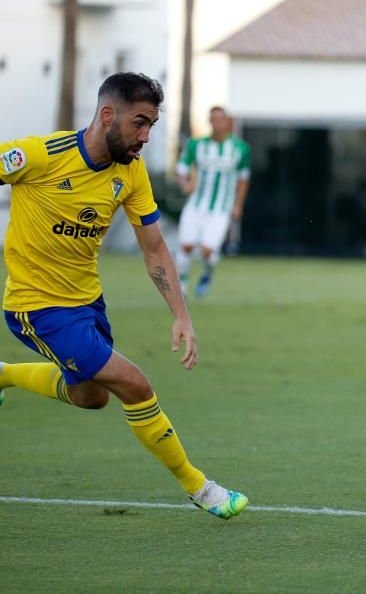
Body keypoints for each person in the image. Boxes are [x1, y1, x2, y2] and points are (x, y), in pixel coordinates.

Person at [0, 73, 248, 518]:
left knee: (90, 398)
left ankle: (3, 375)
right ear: (108, 114)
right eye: (140, 123)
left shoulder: (130, 173)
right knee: (135, 385)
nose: (146, 136)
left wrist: (181, 315)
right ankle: (200, 488)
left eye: (151, 125)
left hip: (87, 303)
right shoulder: (39, 154)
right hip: (37, 307)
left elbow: (154, 246)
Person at [174, 106, 251, 297]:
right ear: (210, 121)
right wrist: (185, 185)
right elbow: (182, 168)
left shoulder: (240, 148)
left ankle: (208, 271)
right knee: (186, 246)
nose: (217, 122)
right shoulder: (196, 145)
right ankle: (182, 285)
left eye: (221, 119)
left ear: (227, 122)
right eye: (214, 119)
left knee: (207, 251)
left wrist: (238, 205)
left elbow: (243, 179)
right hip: (196, 205)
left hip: (220, 209)